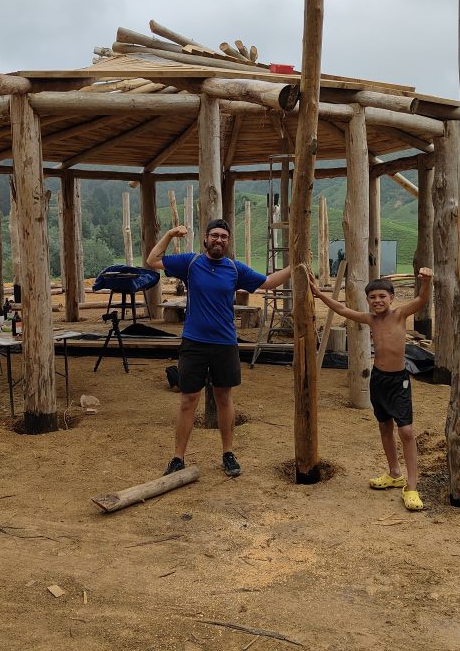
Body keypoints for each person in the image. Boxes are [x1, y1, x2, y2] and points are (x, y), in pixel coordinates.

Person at [147, 219, 292, 477]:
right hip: (194, 342)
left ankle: (228, 454)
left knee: (224, 398)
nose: (219, 240)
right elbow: (153, 260)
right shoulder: (190, 263)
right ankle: (178, 458)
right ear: (205, 239)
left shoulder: (235, 269)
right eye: (214, 235)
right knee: (188, 400)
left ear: (228, 242)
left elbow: (268, 282)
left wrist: (295, 266)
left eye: (224, 237)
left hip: (225, 343)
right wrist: (170, 234)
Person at [307, 267, 432, 511]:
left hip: (398, 381)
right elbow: (343, 309)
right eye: (372, 297)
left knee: (406, 431)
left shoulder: (400, 314)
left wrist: (426, 281)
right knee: (384, 426)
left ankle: (412, 487)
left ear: (392, 298)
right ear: (367, 300)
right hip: (378, 379)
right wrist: (319, 294)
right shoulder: (370, 319)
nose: (377, 301)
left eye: (382, 296)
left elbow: (421, 299)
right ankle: (394, 473)